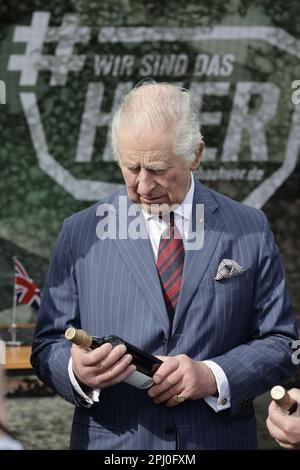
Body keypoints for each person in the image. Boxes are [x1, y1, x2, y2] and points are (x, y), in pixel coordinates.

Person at [31, 81, 298, 450]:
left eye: (157, 168)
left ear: (195, 155)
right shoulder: (80, 233)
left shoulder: (249, 228)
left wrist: (210, 376)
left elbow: (283, 343)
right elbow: (46, 345)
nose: (143, 185)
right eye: (131, 166)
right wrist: (75, 371)